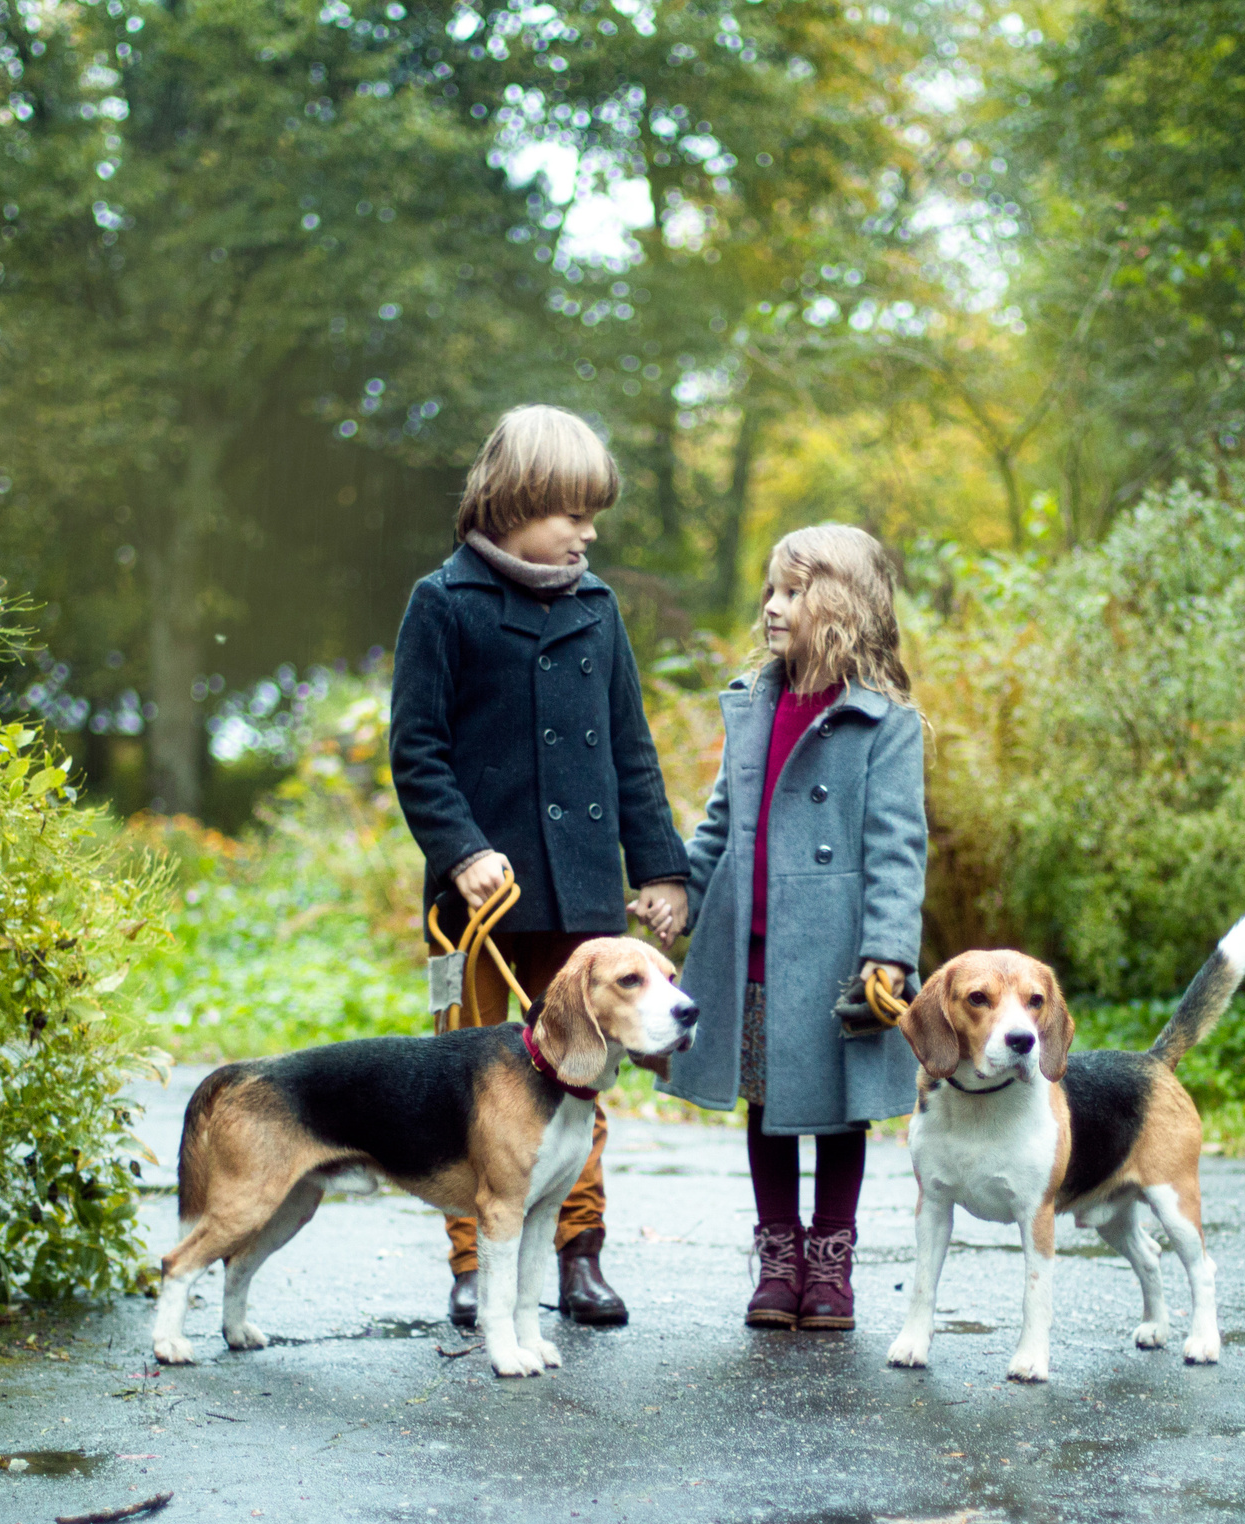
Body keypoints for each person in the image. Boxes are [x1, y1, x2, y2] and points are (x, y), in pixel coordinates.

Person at [388, 405, 691, 1330]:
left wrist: (663, 870)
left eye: (594, 513)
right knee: (472, 1083)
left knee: (583, 1070)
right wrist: (464, 849)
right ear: (515, 500)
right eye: (571, 511)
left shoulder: (596, 609)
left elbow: (630, 750)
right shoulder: (443, 603)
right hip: (480, 905)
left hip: (583, 896)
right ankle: (475, 1259)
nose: (589, 531)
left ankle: (579, 1252)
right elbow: (418, 750)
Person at [660, 524, 925, 1331]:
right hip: (754, 953)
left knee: (840, 1113)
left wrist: (888, 951)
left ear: (841, 605)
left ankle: (831, 1262)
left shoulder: (885, 724)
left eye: (793, 592)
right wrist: (682, 895)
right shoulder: (753, 706)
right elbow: (718, 826)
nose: (772, 608)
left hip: (840, 955)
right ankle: (779, 1258)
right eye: (770, 591)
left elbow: (897, 849)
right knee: (766, 1105)